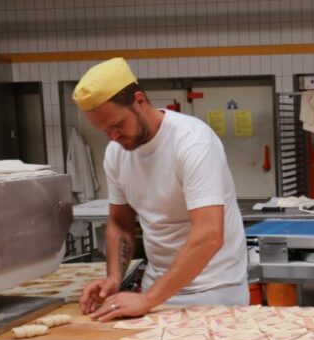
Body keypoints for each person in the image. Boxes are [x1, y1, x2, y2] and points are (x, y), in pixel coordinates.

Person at [73, 58, 249, 322]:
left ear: (140, 101)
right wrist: (114, 278)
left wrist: (147, 299)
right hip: (157, 292)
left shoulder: (192, 142)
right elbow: (120, 224)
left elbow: (209, 234)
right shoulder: (116, 154)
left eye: (118, 125)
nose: (113, 137)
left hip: (214, 291)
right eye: (104, 131)